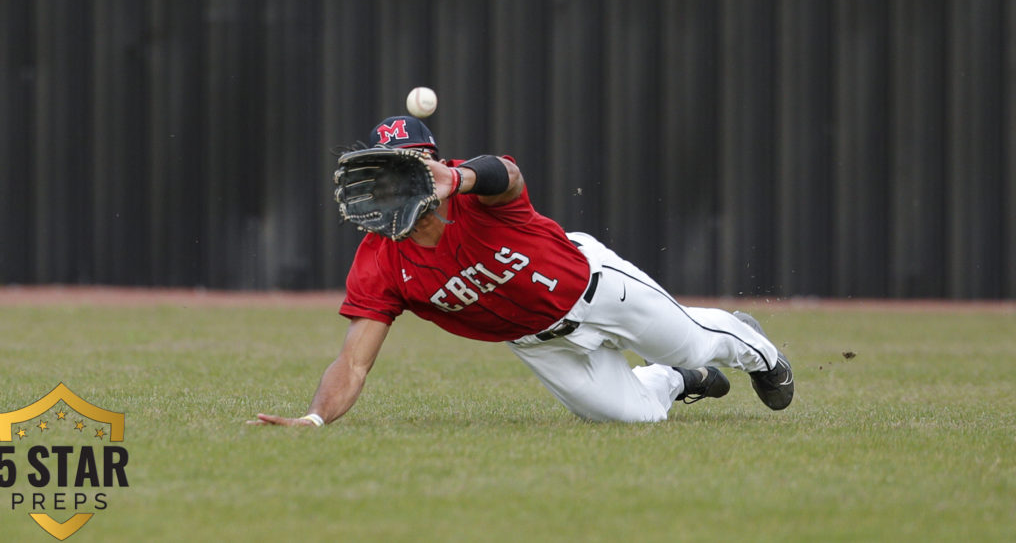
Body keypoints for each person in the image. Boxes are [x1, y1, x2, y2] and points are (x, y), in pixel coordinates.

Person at [252, 115, 793, 427]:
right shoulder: (379, 260)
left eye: (411, 167)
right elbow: (353, 362)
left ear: (435, 164)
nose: (398, 183)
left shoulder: (477, 197)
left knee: (696, 343)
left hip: (593, 288)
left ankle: (760, 350)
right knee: (632, 419)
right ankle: (679, 382)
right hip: (537, 342)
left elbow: (506, 173)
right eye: (387, 172)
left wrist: (458, 179)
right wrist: (315, 419)